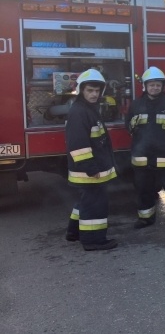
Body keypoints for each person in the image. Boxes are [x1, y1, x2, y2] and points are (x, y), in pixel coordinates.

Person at [126, 66, 165, 230]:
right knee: (144, 189)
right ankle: (145, 218)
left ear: (163, 86)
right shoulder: (136, 105)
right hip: (142, 158)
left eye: (157, 85)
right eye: (151, 85)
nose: (154, 88)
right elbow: (128, 125)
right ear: (145, 86)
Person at [65, 69, 119, 251]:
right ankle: (93, 240)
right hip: (89, 170)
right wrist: (90, 167)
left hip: (89, 168)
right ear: (81, 90)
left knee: (85, 202)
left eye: (97, 90)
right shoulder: (80, 112)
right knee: (95, 205)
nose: (94, 94)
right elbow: (78, 145)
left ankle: (74, 232)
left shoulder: (87, 109)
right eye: (90, 90)